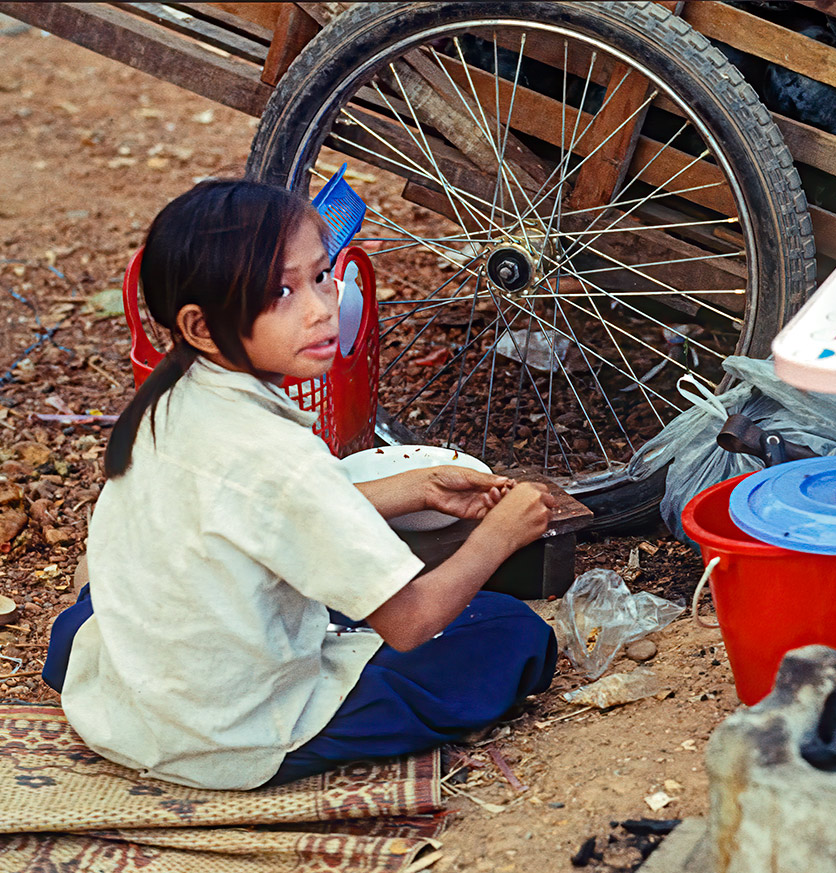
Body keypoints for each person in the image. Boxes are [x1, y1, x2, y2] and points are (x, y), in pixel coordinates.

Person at [41, 180, 558, 791]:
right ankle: (255, 741)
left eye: (320, 277)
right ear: (202, 327)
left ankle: (106, 673)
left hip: (130, 690)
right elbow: (411, 622)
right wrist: (499, 535)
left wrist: (411, 489)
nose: (320, 308)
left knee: (89, 619)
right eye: (281, 292)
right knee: (508, 633)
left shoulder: (166, 399)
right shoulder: (282, 458)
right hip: (230, 732)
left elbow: (251, 513)